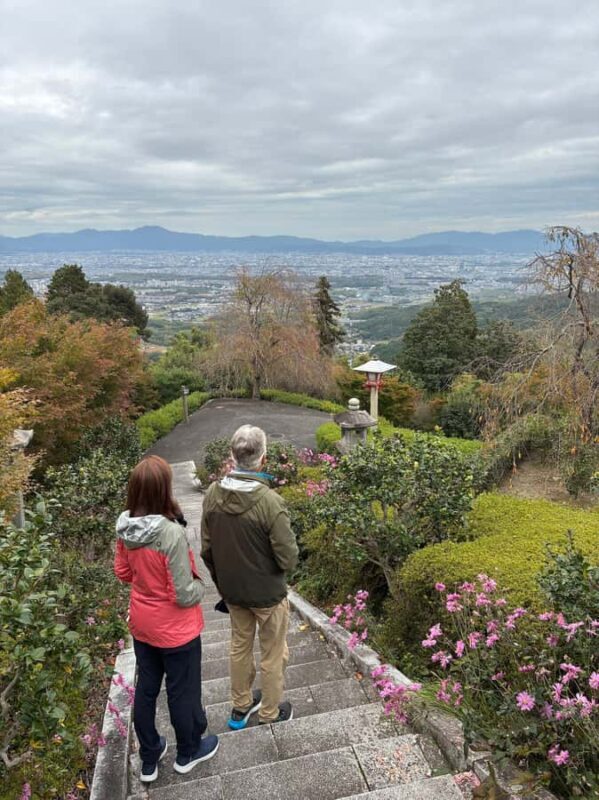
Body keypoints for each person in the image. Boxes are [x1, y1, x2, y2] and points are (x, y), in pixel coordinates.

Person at [114, 455, 218, 783]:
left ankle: (149, 756)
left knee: (146, 688)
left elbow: (122, 572)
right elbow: (183, 594)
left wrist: (146, 580)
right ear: (164, 489)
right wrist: (201, 586)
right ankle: (188, 751)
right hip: (177, 631)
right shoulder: (170, 533)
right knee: (181, 690)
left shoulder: (125, 528)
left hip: (143, 625)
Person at [201, 425, 299, 729]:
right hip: (268, 593)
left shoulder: (212, 495)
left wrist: (222, 581)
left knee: (239, 646)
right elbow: (288, 557)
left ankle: (241, 705)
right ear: (263, 458)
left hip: (233, 591)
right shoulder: (270, 502)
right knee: (273, 653)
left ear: (232, 457)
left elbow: (206, 549)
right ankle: (270, 712)